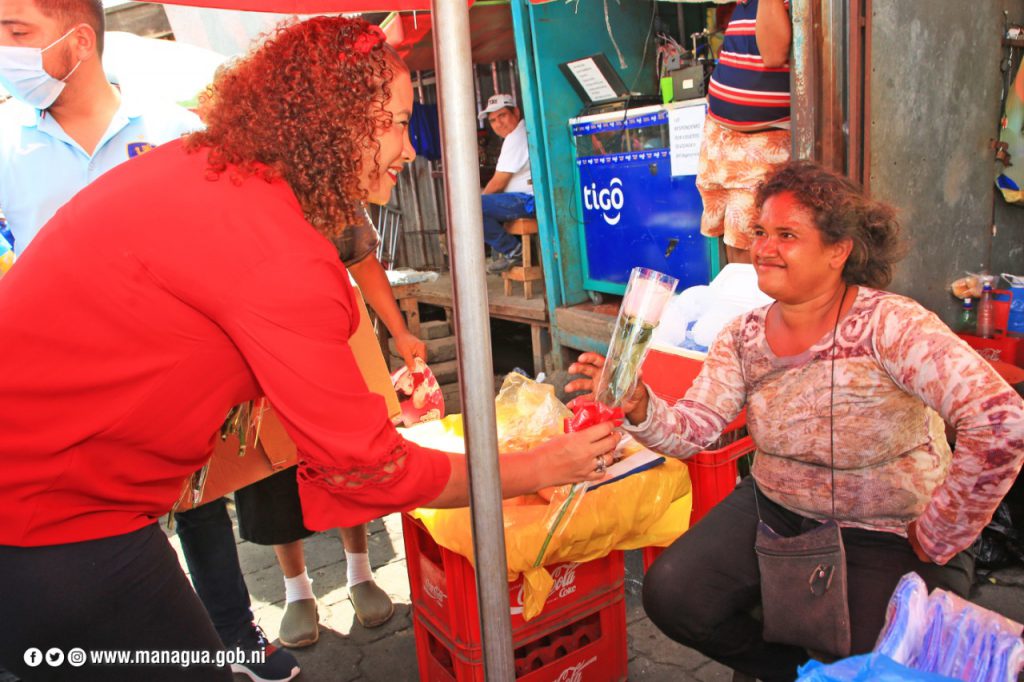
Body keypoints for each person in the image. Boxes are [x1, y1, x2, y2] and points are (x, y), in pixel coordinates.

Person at [0, 16, 619, 681]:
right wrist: (541, 465)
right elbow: (372, 470)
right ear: (335, 121)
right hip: (47, 514)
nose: (410, 150)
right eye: (396, 123)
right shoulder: (278, 249)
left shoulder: (207, 168)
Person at [568, 161, 1024, 682]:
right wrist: (641, 406)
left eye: (787, 235)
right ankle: (793, 672)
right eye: (760, 231)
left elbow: (1001, 422)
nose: (764, 248)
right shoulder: (742, 336)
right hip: (776, 507)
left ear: (838, 250)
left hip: (889, 526)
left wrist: (943, 529)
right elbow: (695, 430)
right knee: (674, 594)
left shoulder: (892, 325)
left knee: (877, 658)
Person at [0, 1, 300, 678]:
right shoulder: (5, 143)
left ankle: (235, 634)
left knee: (201, 511)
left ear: (79, 40)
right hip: (52, 402)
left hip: (164, 386)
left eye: (17, 33)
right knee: (82, 550)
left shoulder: (174, 132)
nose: (5, 51)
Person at [235, 205, 426, 648]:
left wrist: (399, 330)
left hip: (330, 334)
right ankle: (297, 591)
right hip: (255, 338)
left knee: (346, 453)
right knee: (272, 467)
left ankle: (360, 572)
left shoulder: (327, 186)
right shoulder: (231, 188)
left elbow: (361, 259)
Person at [698, 0, 792, 265]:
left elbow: (773, 55)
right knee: (727, 237)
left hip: (760, 144)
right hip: (721, 138)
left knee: (750, 241)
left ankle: (749, 293)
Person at [477, 93, 535, 274]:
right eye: (493, 120)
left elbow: (498, 183)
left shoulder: (516, 137)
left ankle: (514, 250)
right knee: (480, 204)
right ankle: (511, 249)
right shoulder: (519, 134)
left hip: (528, 201)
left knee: (473, 209)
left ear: (516, 113)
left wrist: (479, 203)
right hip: (522, 199)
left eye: (502, 116)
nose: (498, 124)